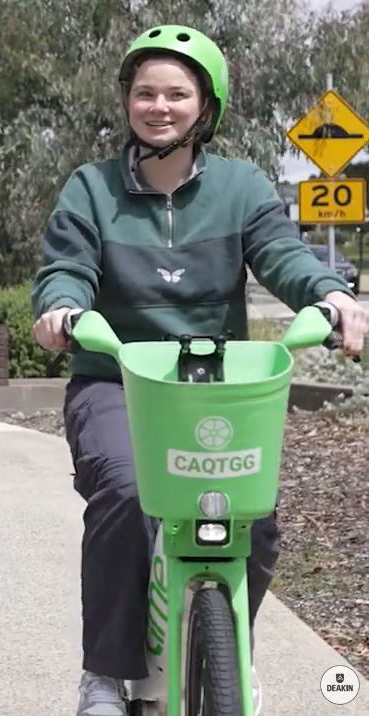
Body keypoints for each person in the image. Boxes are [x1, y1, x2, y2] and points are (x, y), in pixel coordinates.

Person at [30, 24, 367, 716]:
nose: (159, 106)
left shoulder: (241, 187)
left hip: (215, 389)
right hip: (116, 380)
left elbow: (282, 253)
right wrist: (61, 309)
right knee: (125, 495)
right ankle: (104, 673)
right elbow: (66, 269)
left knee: (255, 517)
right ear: (127, 102)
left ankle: (224, 642)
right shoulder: (91, 189)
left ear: (205, 106)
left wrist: (329, 295)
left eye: (177, 93)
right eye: (145, 93)